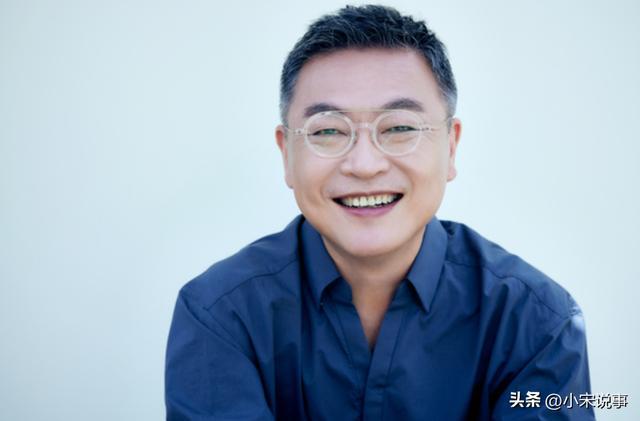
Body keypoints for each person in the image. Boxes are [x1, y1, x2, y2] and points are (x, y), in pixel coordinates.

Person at [165, 5, 593, 420]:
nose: (365, 165)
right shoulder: (221, 315)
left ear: (450, 147)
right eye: (328, 131)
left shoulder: (537, 324)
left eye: (400, 128)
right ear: (287, 154)